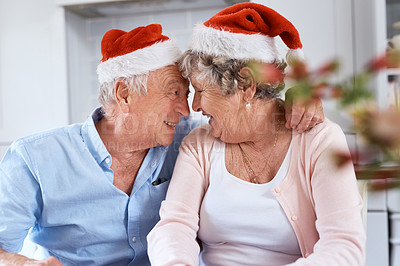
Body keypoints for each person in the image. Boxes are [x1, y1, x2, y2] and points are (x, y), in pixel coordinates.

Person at [0, 23, 323, 265]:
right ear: (124, 93)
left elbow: (248, 117)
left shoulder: (193, 140)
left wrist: (296, 99)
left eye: (188, 94)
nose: (186, 109)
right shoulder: (35, 157)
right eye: (173, 93)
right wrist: (22, 263)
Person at [147, 3, 366, 266]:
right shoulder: (199, 144)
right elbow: (174, 227)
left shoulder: (320, 141)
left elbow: (344, 248)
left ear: (247, 85)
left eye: (201, 91)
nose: (195, 107)